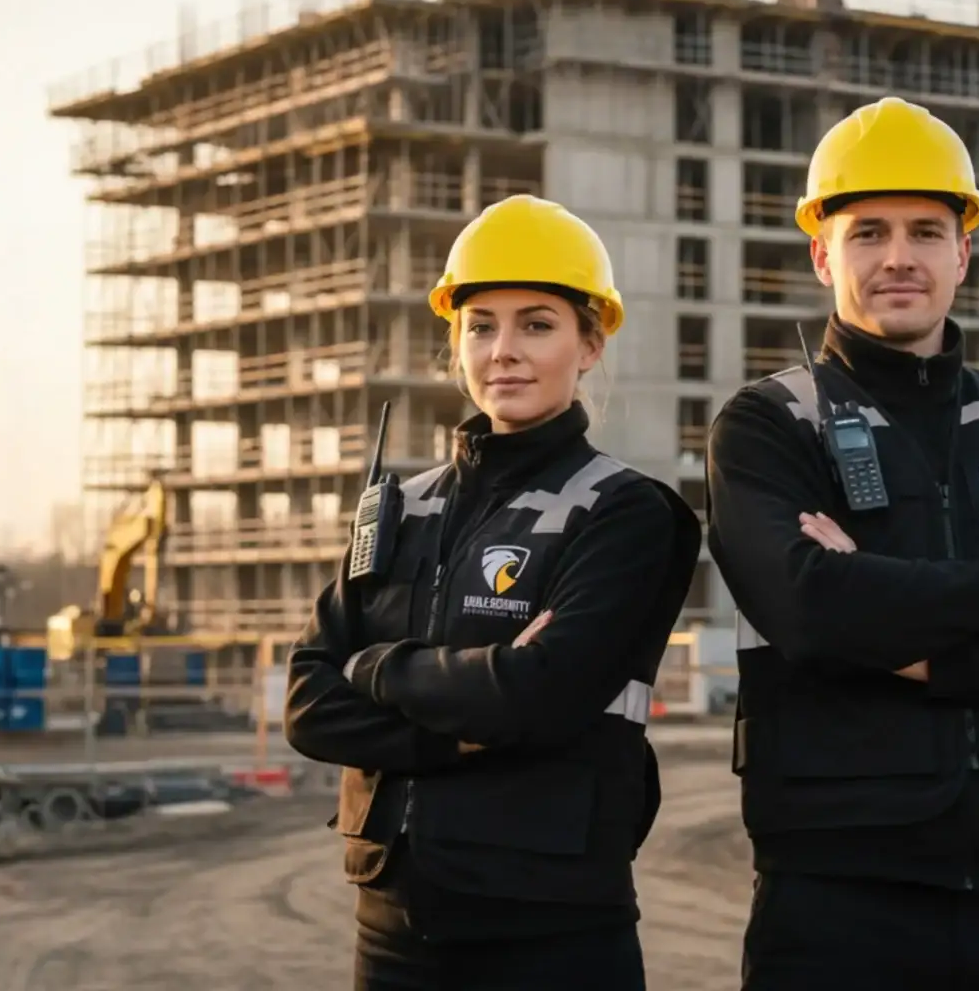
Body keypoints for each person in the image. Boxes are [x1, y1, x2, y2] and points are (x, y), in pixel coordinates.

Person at [704, 97, 979, 990]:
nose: (899, 256)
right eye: (868, 232)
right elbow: (813, 610)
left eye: (926, 230)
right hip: (834, 898)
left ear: (964, 252)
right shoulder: (769, 425)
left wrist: (917, 650)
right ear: (823, 253)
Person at [283, 194, 700, 991]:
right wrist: (458, 727)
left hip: (554, 930)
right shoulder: (399, 509)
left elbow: (538, 696)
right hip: (394, 929)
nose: (503, 350)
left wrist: (376, 668)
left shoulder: (625, 512)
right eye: (481, 325)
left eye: (536, 324)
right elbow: (307, 702)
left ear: (590, 343)